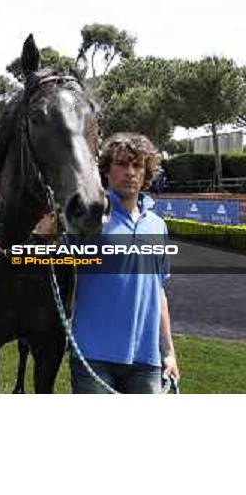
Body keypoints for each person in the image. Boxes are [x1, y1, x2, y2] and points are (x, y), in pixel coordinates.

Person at [70, 133, 180, 394]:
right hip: (93, 358)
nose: (130, 172)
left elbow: (158, 293)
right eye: (121, 164)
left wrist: (169, 353)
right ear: (106, 171)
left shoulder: (157, 225)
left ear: (146, 173)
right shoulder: (88, 218)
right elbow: (48, 260)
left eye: (137, 165)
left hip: (147, 361)